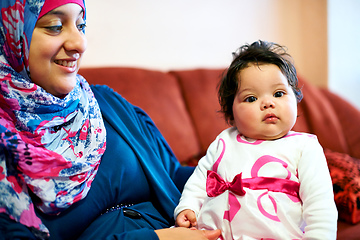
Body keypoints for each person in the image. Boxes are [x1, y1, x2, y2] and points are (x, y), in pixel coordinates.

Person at [0, 1, 221, 239]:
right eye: (55, 26)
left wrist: (234, 170)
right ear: (11, 34)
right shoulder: (6, 143)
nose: (80, 43)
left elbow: (172, 173)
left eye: (80, 24)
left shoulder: (105, 102)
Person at [174, 40, 338, 239]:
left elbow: (320, 206)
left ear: (295, 99)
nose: (268, 103)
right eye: (251, 98)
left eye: (278, 93)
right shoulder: (224, 141)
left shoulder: (304, 146)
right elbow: (199, 181)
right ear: (231, 113)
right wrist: (187, 208)